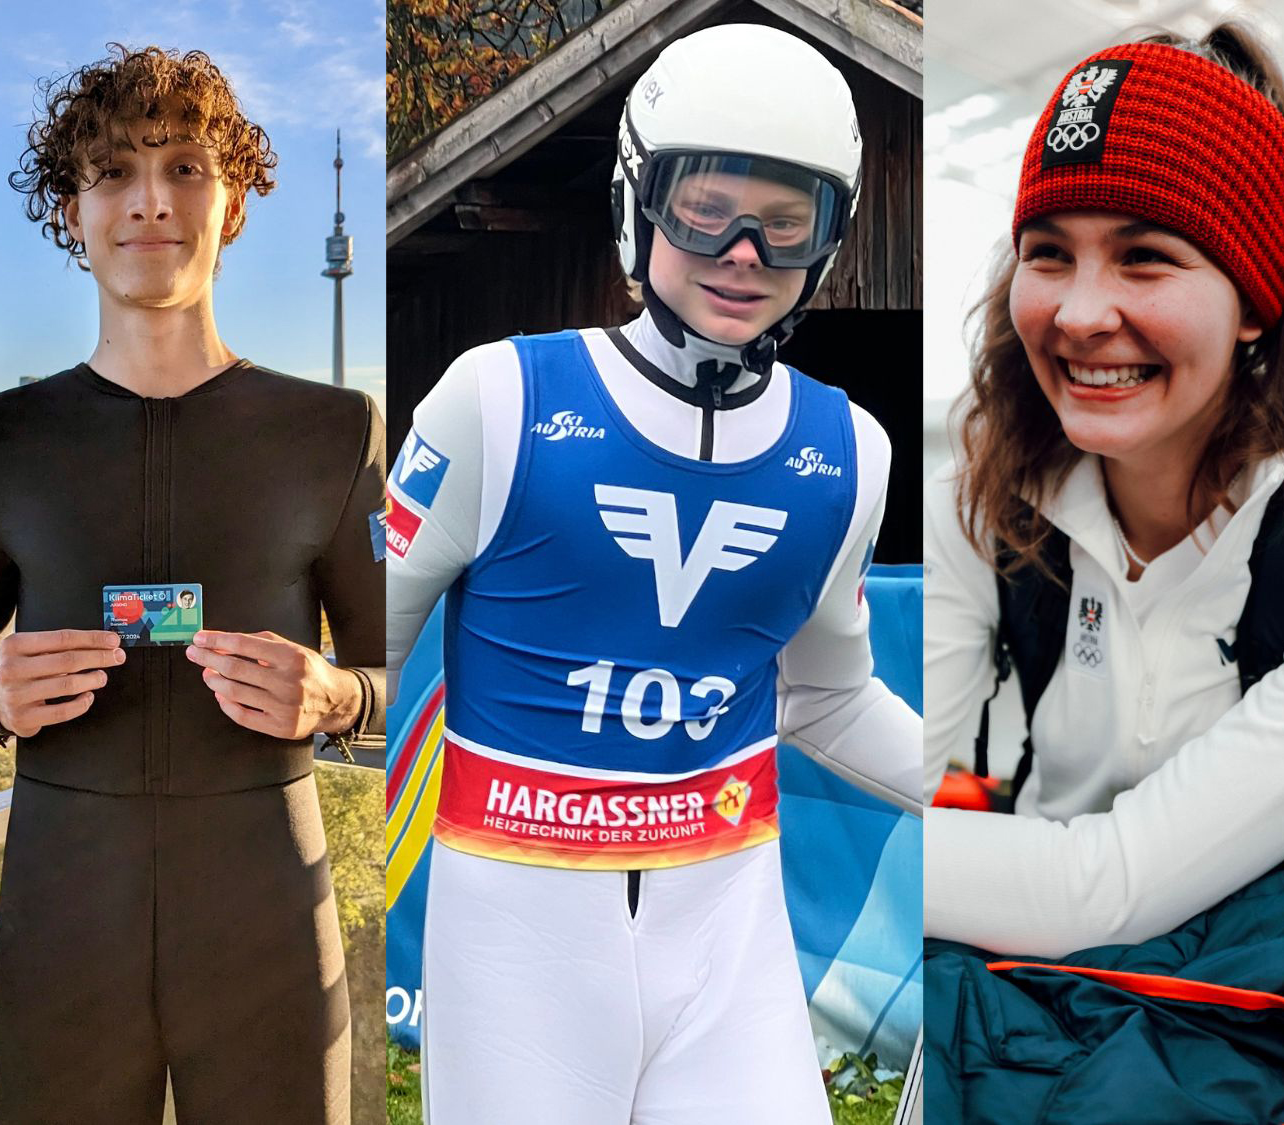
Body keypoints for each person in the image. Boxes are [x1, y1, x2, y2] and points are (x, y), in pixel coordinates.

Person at [386, 23, 922, 1124]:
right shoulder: (495, 398)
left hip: (727, 924)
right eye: (704, 210)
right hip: (517, 927)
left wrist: (994, 804)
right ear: (639, 204)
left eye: (786, 226)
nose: (741, 255)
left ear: (830, 241)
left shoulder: (849, 450)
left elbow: (824, 696)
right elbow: (355, 650)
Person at [922, 24, 1284, 1118]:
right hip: (1028, 982)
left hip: (1268, 1002)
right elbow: (880, 776)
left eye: (1144, 255)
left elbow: (1117, 882)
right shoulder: (987, 504)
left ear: (1252, 301)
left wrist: (843, 846)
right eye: (1047, 251)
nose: (1079, 313)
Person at [0, 45, 384, 1124]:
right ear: (69, 210)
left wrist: (339, 696)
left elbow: (411, 671)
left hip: (265, 908)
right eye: (111, 173)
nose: (149, 202)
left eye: (184, 168)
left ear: (230, 205)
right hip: (63, 911)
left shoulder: (333, 432)